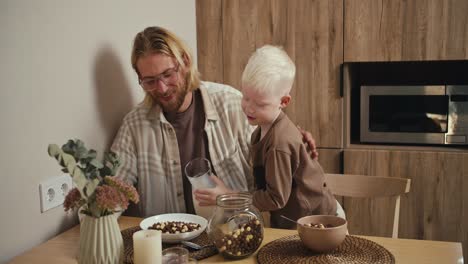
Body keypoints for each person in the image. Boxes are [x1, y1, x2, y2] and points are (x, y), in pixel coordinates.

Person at [111, 26, 318, 217]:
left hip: (236, 234)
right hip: (170, 244)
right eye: (150, 81)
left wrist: (294, 141)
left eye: (168, 74)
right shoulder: (134, 126)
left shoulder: (231, 104)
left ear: (185, 62)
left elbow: (272, 146)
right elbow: (113, 192)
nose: (162, 88)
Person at [195, 45, 343, 229]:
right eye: (246, 97)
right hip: (297, 217)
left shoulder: (278, 144)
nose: (249, 108)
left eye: (260, 104)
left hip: (318, 222)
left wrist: (231, 196)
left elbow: (275, 198)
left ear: (283, 101)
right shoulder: (261, 129)